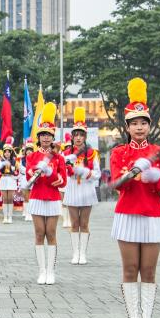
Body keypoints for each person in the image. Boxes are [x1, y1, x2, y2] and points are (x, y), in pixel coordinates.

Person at [111, 78, 160, 318]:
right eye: (134, 123)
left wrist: (156, 177)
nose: (139, 127)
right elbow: (117, 182)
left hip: (153, 215)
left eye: (143, 122)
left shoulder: (159, 152)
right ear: (127, 127)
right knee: (130, 269)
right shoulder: (119, 152)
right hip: (127, 214)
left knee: (149, 271)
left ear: (149, 125)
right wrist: (135, 173)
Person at [24, 103, 68, 285]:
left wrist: (51, 173)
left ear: (52, 137)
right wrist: (36, 171)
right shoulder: (31, 156)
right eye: (42, 135)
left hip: (52, 198)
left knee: (51, 232)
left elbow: (63, 181)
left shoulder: (59, 158)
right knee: (39, 233)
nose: (45, 138)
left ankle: (51, 271)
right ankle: (41, 271)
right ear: (38, 137)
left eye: (48, 135)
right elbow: (28, 176)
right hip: (36, 197)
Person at [61, 108, 101, 264]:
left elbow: (97, 174)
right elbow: (62, 171)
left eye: (81, 135)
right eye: (75, 135)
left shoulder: (92, 153)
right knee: (74, 223)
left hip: (86, 188)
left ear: (85, 136)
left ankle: (83, 253)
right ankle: (75, 252)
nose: (78, 138)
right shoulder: (66, 153)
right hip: (72, 188)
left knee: (84, 223)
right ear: (72, 137)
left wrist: (86, 173)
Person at [0, 137, 21, 224]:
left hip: (11, 179)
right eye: (5, 151)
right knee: (4, 199)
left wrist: (11, 166)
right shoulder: (0, 160)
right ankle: (5, 217)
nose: (7, 153)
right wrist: (3, 163)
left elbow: (17, 171)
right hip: (3, 179)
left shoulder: (14, 161)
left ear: (11, 152)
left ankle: (10, 217)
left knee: (10, 198)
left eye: (8, 152)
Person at [19, 139, 34, 221]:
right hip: (25, 178)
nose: (29, 152)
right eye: (27, 150)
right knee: (25, 196)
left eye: (30, 150)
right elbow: (20, 168)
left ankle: (31, 213)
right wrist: (27, 170)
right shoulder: (22, 160)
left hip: (32, 178)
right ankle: (26, 213)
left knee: (31, 196)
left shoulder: (35, 159)